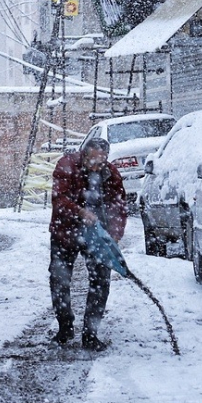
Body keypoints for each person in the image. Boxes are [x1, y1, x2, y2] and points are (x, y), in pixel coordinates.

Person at [48, 137, 127, 351]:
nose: (97, 166)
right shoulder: (66, 166)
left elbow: (119, 206)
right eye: (93, 161)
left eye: (102, 162)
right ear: (84, 155)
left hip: (97, 236)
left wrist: (115, 235)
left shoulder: (110, 174)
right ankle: (65, 328)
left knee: (101, 280)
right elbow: (59, 199)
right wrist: (80, 212)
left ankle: (90, 334)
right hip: (65, 231)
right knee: (60, 279)